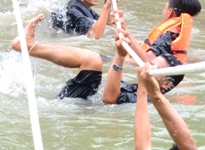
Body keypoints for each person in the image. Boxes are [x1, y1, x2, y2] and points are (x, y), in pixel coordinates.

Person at [11, 15, 183, 103]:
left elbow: (109, 99)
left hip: (79, 104)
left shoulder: (147, 100)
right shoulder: (142, 89)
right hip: (82, 99)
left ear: (167, 83)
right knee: (95, 59)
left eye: (152, 66)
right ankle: (30, 45)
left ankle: (29, 45)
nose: (146, 65)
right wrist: (123, 30)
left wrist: (120, 56)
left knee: (93, 60)